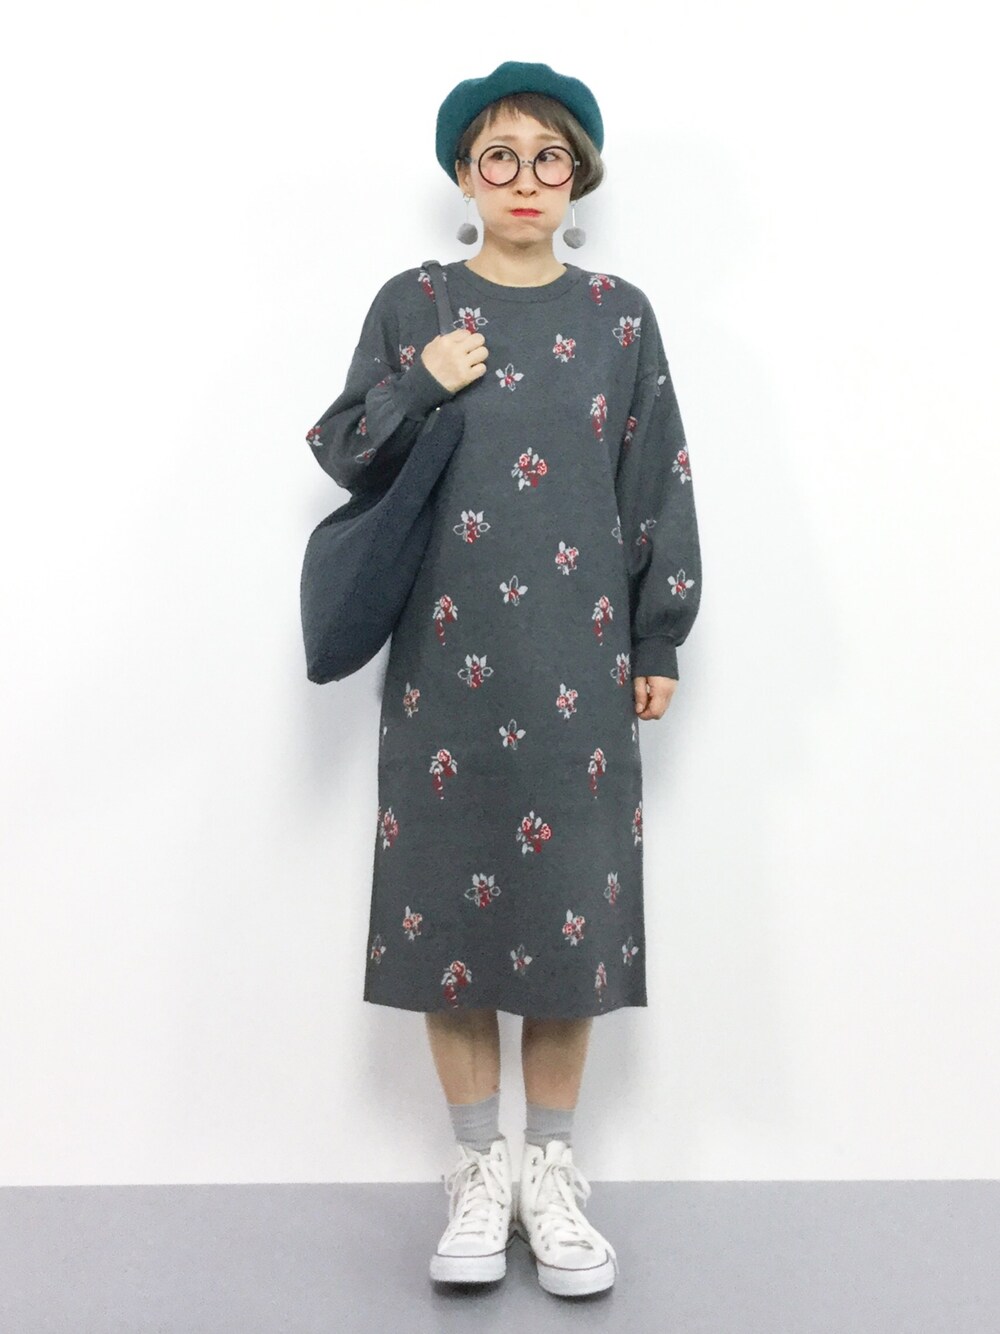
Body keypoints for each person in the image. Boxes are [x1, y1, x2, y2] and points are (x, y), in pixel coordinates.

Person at [305, 61, 702, 1298]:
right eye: (499, 157)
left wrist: (657, 635)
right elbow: (340, 446)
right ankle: (478, 1169)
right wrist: (422, 377)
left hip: (579, 660)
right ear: (463, 174)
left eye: (549, 158)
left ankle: (552, 1174)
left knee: (571, 908)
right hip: (444, 665)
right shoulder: (414, 303)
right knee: (448, 913)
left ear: (579, 176)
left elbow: (655, 473)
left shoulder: (620, 316)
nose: (524, 180)